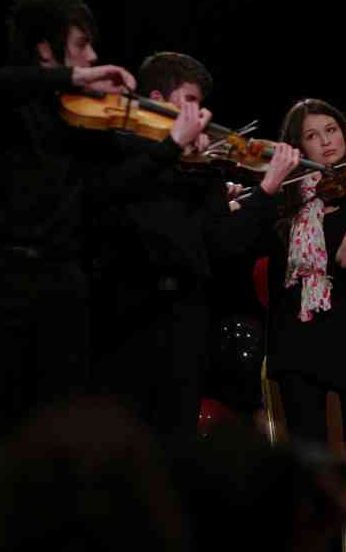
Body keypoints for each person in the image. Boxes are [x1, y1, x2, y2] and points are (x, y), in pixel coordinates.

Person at [0, 0, 209, 436]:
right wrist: (74, 77)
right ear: (45, 49)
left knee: (60, 424)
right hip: (1, 280)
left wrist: (172, 145)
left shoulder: (87, 121)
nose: (94, 55)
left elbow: (107, 189)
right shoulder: (10, 107)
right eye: (81, 46)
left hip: (65, 283)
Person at [90, 51, 301, 444]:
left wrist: (267, 190)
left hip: (186, 318)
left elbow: (222, 243)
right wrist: (173, 151)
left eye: (200, 106)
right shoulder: (119, 147)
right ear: (156, 98)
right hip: (127, 315)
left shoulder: (200, 170)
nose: (200, 117)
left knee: (176, 439)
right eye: (189, 102)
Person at [265, 98, 346, 466]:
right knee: (310, 467)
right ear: (298, 146)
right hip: (300, 338)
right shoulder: (285, 200)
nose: (326, 142)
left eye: (331, 130)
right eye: (312, 135)